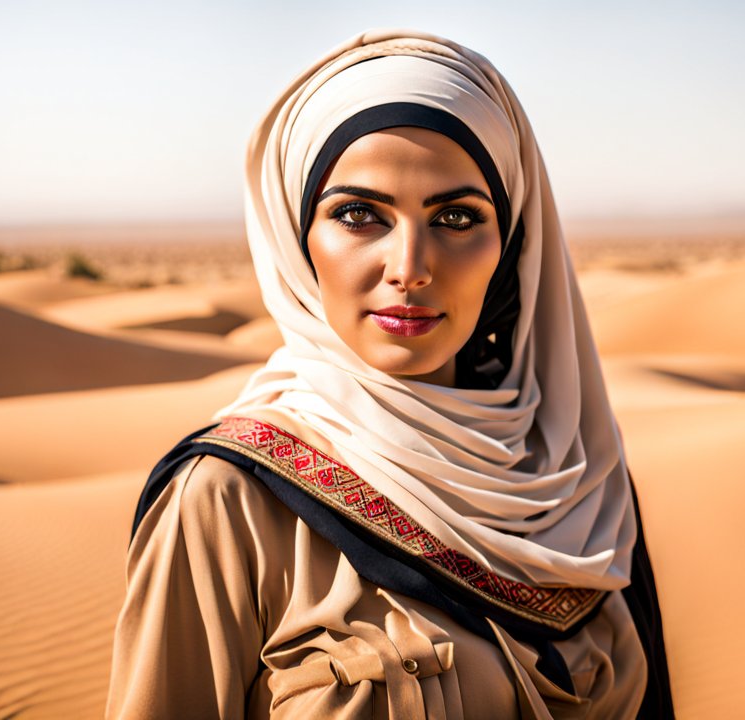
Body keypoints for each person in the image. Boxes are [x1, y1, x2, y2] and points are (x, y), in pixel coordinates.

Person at [105, 28, 674, 719]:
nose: (410, 266)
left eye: (458, 216)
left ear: (512, 244)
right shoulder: (226, 503)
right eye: (359, 215)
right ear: (297, 238)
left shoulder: (575, 485)